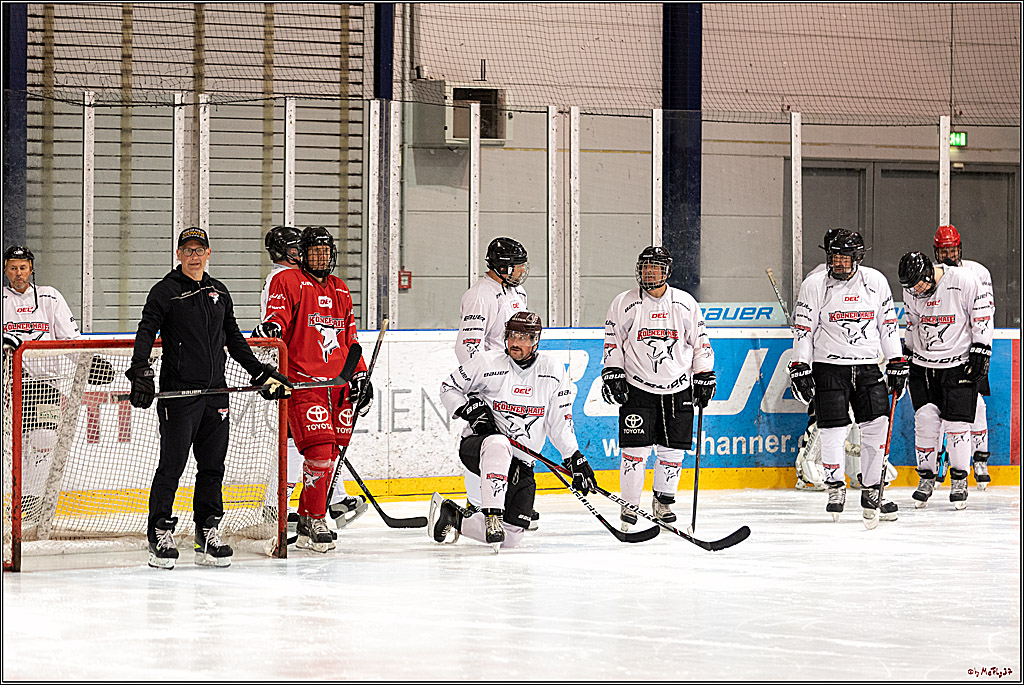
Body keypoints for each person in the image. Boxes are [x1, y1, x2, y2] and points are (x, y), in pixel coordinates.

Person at [127, 227, 292, 569]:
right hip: (180, 395)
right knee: (172, 467)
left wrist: (259, 372)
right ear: (178, 255)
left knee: (213, 466)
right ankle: (159, 532)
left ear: (208, 253)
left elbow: (233, 337)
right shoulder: (165, 291)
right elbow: (146, 331)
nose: (193, 256)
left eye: (199, 250)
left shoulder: (219, 292)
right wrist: (140, 371)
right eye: (187, 250)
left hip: (216, 394)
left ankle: (207, 531)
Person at [429, 311, 596, 552]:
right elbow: (448, 387)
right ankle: (492, 516)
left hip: (521, 462)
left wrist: (574, 458)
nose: (516, 343)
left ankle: (454, 516)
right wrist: (468, 410)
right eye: (512, 336)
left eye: (524, 337)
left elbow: (560, 423)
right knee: (498, 443)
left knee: (511, 539)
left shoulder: (553, 370)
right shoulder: (487, 363)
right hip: (479, 450)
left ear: (535, 340)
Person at [261, 226, 369, 553]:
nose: (321, 257)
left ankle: (309, 517)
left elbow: (350, 341)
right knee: (319, 453)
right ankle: (317, 517)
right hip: (303, 382)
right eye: (314, 251)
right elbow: (277, 318)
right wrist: (271, 330)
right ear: (302, 255)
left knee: (330, 455)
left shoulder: (341, 290)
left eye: (326, 251)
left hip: (337, 386)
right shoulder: (287, 281)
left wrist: (361, 377)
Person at [789, 230, 905, 528]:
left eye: (844, 257)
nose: (838, 263)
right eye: (833, 256)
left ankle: (871, 489)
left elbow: (888, 325)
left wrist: (896, 360)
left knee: (877, 426)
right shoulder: (814, 284)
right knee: (832, 429)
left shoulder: (876, 281)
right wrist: (800, 365)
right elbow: (803, 329)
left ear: (858, 257)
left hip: (868, 367)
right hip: (828, 367)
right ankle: (836, 486)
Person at [600, 246, 716, 531]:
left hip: (678, 389)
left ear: (666, 272)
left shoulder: (685, 303)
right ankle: (629, 504)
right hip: (637, 389)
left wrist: (704, 374)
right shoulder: (624, 302)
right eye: (645, 267)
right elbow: (612, 340)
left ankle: (663, 502)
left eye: (656, 267)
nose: (649, 272)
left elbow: (700, 340)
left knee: (673, 451)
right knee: (634, 452)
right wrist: (612, 371)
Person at [3, 245, 115, 520]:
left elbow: (69, 339)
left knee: (44, 441)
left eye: (23, 267)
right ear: (6, 270)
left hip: (45, 386)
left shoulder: (50, 297)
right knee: (11, 446)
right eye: (13, 267)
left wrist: (87, 363)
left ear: (31, 269)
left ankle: (28, 504)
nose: (18, 273)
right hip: (8, 387)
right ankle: (13, 499)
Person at [899, 251, 992, 510]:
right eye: (911, 287)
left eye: (919, 283)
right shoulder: (912, 290)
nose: (916, 291)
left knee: (957, 425)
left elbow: (982, 315)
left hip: (958, 366)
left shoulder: (963, 280)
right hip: (923, 366)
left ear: (930, 273)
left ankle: (960, 480)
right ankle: (926, 478)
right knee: (925, 420)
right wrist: (905, 354)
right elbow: (912, 324)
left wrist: (982, 349)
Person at [454, 237, 536, 525]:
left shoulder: (518, 291)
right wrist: (479, 385)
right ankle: (476, 502)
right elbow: (467, 346)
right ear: (502, 267)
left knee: (516, 435)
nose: (521, 271)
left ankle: (508, 496)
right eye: (517, 266)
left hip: (514, 377)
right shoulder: (480, 295)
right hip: (489, 382)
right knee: (484, 438)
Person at [933, 224, 995, 489]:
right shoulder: (931, 275)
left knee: (977, 406)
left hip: (971, 352)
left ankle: (979, 458)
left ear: (960, 248)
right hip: (942, 353)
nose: (949, 255)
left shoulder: (978, 272)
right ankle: (936, 458)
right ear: (936, 252)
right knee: (935, 412)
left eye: (953, 250)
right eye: (944, 251)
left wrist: (982, 349)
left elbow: (986, 313)